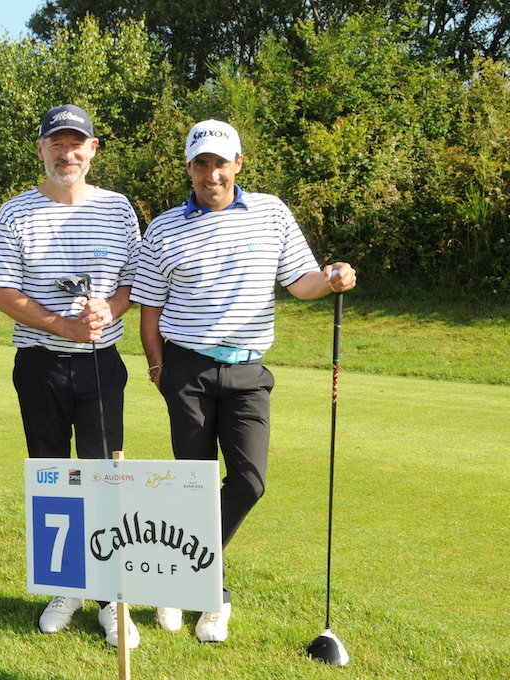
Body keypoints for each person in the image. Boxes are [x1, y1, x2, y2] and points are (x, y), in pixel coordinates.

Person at [130, 119, 357, 643]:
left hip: (249, 370)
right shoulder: (163, 228)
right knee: (193, 484)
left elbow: (300, 281)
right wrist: (158, 369)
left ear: (238, 164)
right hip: (185, 367)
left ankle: (180, 577)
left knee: (249, 483)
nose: (211, 173)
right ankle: (212, 595)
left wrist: (331, 278)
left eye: (220, 162)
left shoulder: (272, 214)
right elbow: (150, 310)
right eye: (201, 163)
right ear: (189, 167)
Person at [0, 104, 142, 648]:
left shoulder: (119, 209)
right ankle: (66, 586)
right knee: (53, 480)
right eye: (57, 143)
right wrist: (62, 326)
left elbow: (131, 285)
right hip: (40, 365)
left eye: (77, 143)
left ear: (93, 149)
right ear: (41, 149)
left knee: (104, 480)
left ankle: (112, 597)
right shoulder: (15, 213)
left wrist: (109, 312)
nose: (67, 152)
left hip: (102, 365)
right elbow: (4, 292)